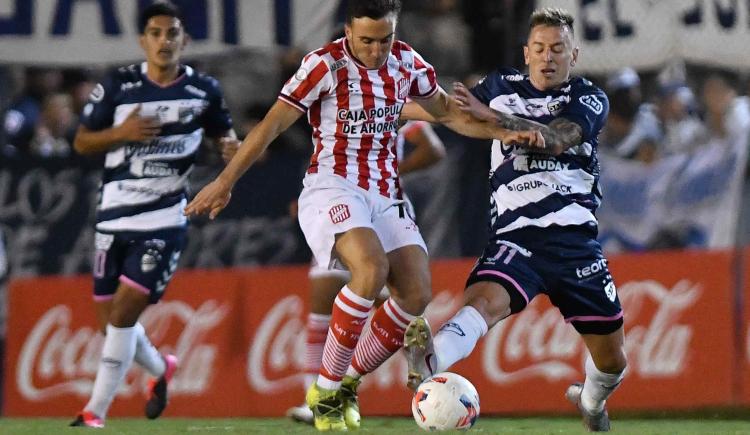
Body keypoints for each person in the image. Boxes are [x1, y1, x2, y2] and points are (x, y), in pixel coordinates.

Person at [184, 0, 540, 430]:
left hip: (385, 193)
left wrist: (507, 129)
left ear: (396, 30)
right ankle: (327, 392)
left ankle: (347, 382)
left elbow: (447, 113)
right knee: (370, 270)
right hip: (333, 186)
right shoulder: (323, 65)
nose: (375, 51)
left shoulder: (407, 62)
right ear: (347, 31)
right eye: (366, 40)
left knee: (415, 294)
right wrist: (225, 182)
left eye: (384, 39)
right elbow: (272, 125)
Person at [402, 7, 627, 432]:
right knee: (483, 303)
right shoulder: (500, 85)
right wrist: (388, 107)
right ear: (527, 52)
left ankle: (593, 402)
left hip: (574, 243)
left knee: (613, 360)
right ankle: (431, 356)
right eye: (540, 48)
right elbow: (449, 111)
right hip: (516, 235)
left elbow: (558, 138)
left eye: (558, 49)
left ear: (573, 55)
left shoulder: (589, 98)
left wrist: (491, 118)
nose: (548, 57)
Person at [69, 2, 239, 428]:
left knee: (124, 314)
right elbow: (82, 142)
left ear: (184, 39)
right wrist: (121, 134)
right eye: (156, 33)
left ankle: (95, 411)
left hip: (164, 217)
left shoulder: (204, 89)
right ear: (143, 40)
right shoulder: (118, 85)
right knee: (110, 323)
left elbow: (225, 134)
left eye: (173, 33)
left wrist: (230, 153)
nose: (165, 41)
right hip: (113, 214)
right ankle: (162, 369)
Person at [286, 120, 446, 425]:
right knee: (324, 304)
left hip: (382, 206)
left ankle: (414, 371)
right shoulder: (337, 98)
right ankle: (318, 396)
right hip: (339, 202)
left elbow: (433, 148)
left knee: (397, 300)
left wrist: (394, 172)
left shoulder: (392, 92)